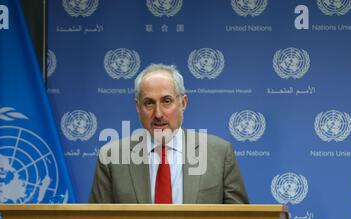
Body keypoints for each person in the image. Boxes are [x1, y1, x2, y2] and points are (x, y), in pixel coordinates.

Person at [89, 63, 248, 204]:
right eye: (149, 103)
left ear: (182, 103)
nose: (158, 114)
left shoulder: (220, 153)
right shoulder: (110, 157)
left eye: (166, 101)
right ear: (138, 107)